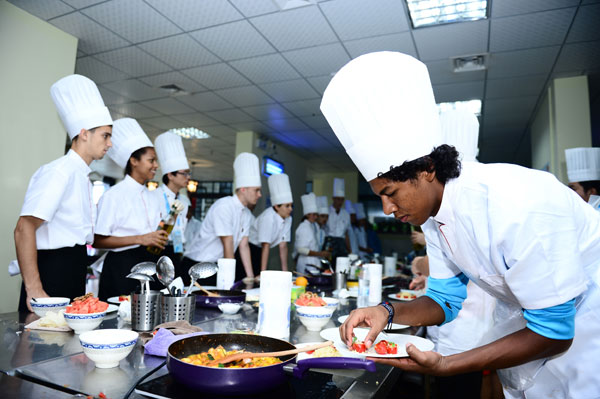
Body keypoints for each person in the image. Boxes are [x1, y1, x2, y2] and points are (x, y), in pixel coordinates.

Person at [322, 51, 600, 398]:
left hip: (590, 327)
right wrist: (386, 311)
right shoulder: (435, 218)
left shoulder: (515, 203)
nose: (388, 208)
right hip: (541, 334)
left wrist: (447, 364)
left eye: (391, 193)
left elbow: (556, 331)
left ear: (426, 170)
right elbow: (444, 301)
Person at [15, 74, 113, 312]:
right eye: (105, 135)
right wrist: (34, 288)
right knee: (42, 344)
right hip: (52, 270)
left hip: (73, 266)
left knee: (67, 346)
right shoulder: (59, 172)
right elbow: (23, 228)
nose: (109, 144)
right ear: (84, 133)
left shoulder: (82, 176)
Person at [94, 118, 167, 300]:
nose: (156, 166)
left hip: (150, 264)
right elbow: (98, 240)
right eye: (151, 160)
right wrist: (141, 238)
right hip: (122, 266)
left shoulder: (152, 196)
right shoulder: (114, 195)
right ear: (134, 161)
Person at [183, 152, 260, 285]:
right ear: (243, 189)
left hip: (216, 265)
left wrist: (250, 277)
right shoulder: (225, 206)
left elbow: (244, 245)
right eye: (256, 190)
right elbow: (228, 244)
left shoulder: (246, 213)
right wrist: (229, 280)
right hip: (197, 266)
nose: (259, 195)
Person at [153, 131, 191, 274]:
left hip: (177, 249)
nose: (188, 177)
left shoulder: (184, 201)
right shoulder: (155, 196)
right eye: (184, 173)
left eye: (189, 173)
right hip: (157, 250)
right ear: (170, 175)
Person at [249, 173, 293, 274]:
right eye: (287, 206)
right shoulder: (268, 218)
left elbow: (283, 246)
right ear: (277, 207)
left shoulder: (288, 218)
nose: (290, 209)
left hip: (262, 249)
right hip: (252, 248)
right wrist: (263, 273)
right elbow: (266, 245)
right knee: (256, 277)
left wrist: (285, 273)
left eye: (291, 206)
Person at [294, 193, 331, 274]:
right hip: (306, 263)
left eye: (316, 215)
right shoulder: (303, 227)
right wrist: (319, 253)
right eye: (313, 215)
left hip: (312, 263)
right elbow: (301, 249)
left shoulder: (311, 226)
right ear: (307, 215)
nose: (316, 217)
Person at [325, 178, 351, 261]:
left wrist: (349, 249)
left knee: (342, 265)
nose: (340, 202)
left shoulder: (346, 214)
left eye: (342, 199)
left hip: (341, 243)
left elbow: (346, 234)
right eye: (338, 199)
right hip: (329, 242)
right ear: (333, 198)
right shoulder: (327, 212)